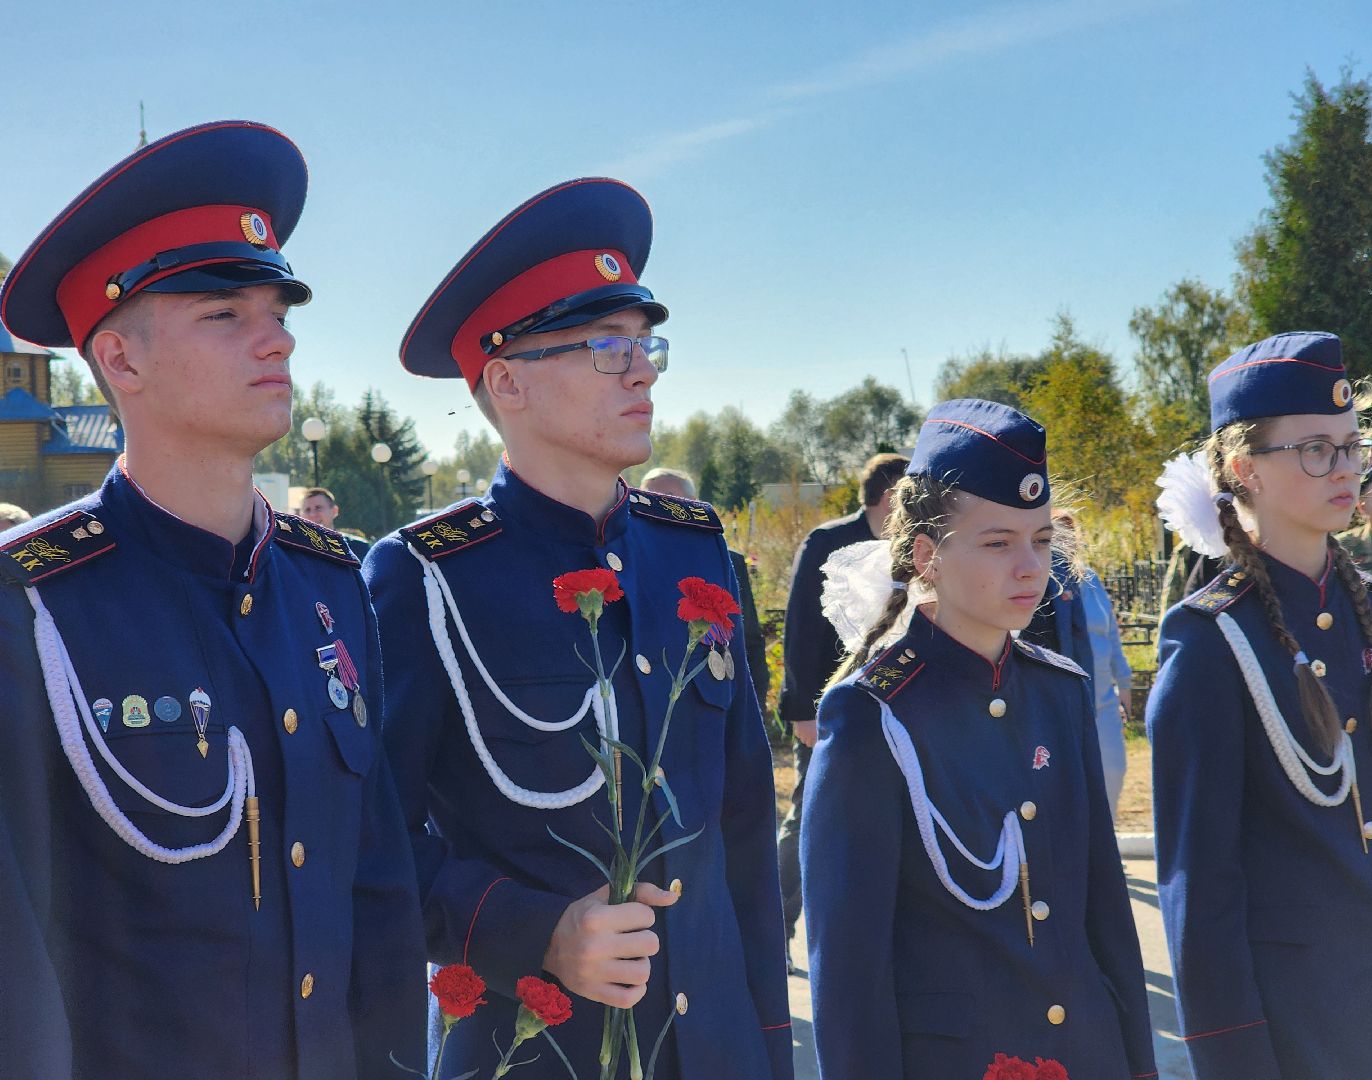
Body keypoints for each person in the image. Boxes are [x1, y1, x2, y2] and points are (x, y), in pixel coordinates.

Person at [0, 121, 425, 1079]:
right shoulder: (29, 600)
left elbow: (378, 893)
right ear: (121, 360)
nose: (276, 336)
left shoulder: (330, 584)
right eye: (224, 314)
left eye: (277, 309)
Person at [364, 178, 792, 1079]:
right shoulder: (428, 575)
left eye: (644, 345)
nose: (641, 371)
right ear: (508, 381)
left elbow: (745, 826)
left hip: (713, 1048)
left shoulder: (694, 550)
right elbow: (373, 846)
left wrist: (767, 1045)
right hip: (535, 1052)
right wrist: (539, 933)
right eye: (604, 348)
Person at [801, 400, 1155, 1079]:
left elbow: (1106, 917)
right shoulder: (872, 714)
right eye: (999, 542)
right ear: (929, 556)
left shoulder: (1058, 689)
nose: (1031, 567)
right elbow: (849, 973)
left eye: (1043, 540)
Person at [1148, 331, 1372, 1079]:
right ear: (1245, 468)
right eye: (1315, 449)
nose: (1346, 469)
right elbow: (1201, 892)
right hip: (1303, 1033)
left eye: (1351, 446)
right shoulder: (1210, 638)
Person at [776, 452, 906, 958]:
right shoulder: (828, 542)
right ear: (888, 495)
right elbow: (800, 631)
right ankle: (776, 927)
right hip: (829, 710)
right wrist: (802, 711)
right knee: (809, 814)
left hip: (896, 708)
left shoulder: (917, 544)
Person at [642, 466, 768, 705]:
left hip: (709, 704)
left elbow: (748, 642)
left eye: (666, 500)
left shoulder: (727, 562)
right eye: (646, 498)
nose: (654, 507)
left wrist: (754, 708)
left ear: (693, 505)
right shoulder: (625, 562)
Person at [1053, 508, 1132, 820]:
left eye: (1071, 534)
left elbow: (1111, 635)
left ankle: (1107, 843)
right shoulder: (1049, 585)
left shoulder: (1092, 580)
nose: (1067, 542)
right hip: (1070, 700)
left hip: (1105, 699)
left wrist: (1124, 682)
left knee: (1113, 769)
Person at [301, 486, 370, 558]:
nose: (312, 514)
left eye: (318, 508)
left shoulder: (358, 548)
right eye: (307, 510)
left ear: (334, 511)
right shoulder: (296, 550)